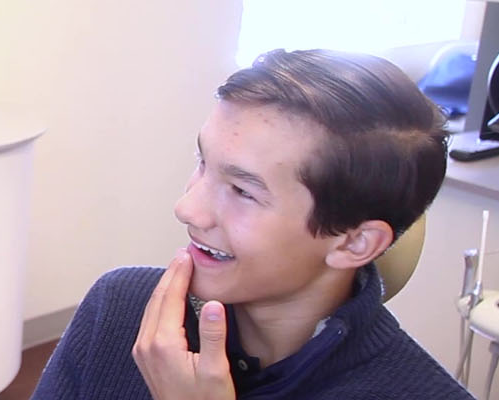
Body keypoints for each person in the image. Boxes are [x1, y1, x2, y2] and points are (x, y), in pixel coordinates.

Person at [32, 49, 473, 399]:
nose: (188, 208)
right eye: (202, 162)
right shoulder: (121, 310)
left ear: (355, 243)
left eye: (243, 192)